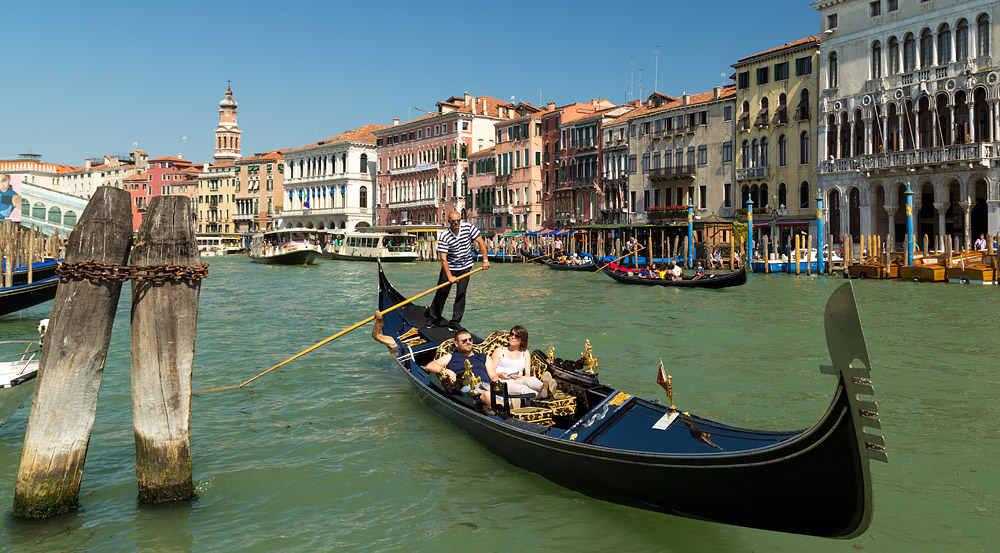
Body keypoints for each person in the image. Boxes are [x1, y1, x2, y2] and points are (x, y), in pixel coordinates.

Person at [426, 211, 490, 331]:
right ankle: (433, 317)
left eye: (458, 220)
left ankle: (455, 322)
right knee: (442, 292)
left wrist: (485, 260)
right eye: (453, 221)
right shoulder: (445, 236)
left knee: (461, 294)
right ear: (449, 221)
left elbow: (481, 242)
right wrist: (450, 276)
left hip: (465, 267)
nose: (456, 223)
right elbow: (443, 258)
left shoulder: (468, 227)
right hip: (449, 267)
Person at [424, 329, 498, 412]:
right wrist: (449, 372)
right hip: (466, 385)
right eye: (464, 341)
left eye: (470, 339)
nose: (468, 342)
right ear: (456, 344)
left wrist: (494, 385)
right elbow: (430, 366)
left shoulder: (483, 357)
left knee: (501, 394)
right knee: (486, 395)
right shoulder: (452, 356)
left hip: (486, 385)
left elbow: (493, 375)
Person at [490, 325, 552, 400]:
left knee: (531, 380)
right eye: (511, 334)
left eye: (516, 336)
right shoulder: (499, 351)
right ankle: (549, 393)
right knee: (523, 389)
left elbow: (528, 375)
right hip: (503, 381)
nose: (512, 337)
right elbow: (490, 371)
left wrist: (522, 377)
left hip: (519, 379)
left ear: (522, 340)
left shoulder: (525, 352)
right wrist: (500, 374)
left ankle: (544, 387)